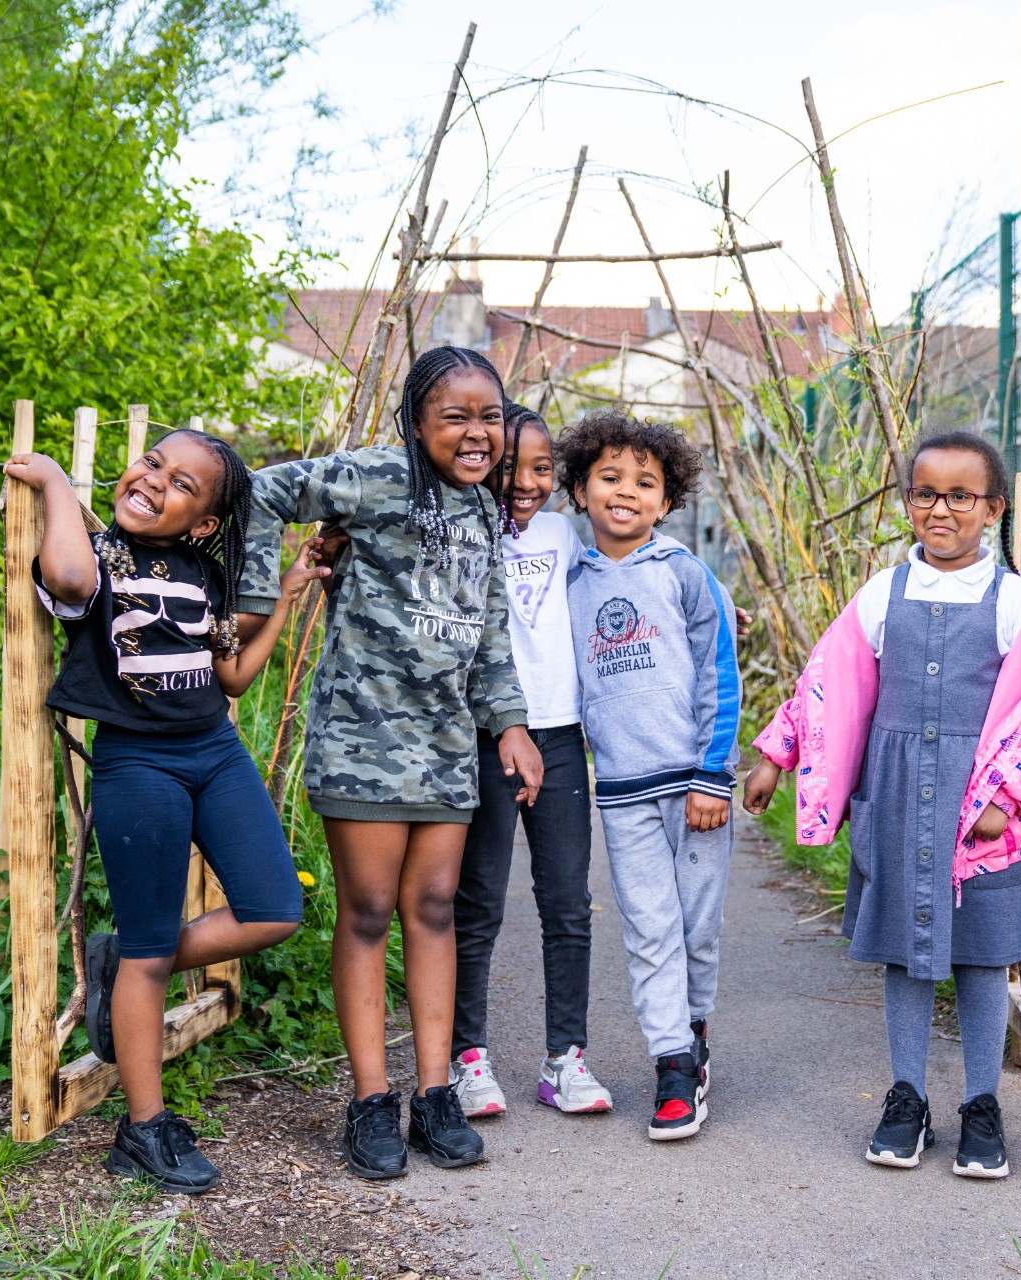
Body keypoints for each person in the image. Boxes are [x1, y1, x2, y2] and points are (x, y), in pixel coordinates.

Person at [234, 345, 544, 1181]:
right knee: (369, 910)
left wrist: (510, 723)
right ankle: (372, 1100)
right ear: (417, 423)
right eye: (456, 417)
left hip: (445, 743)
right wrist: (261, 598)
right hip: (363, 737)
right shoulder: (373, 479)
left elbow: (488, 628)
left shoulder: (481, 509)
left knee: (434, 907)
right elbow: (261, 490)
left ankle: (434, 1095)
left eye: (490, 417)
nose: (477, 433)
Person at [743, 430, 1021, 1179]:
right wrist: (774, 752)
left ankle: (983, 1106)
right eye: (926, 493)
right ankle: (906, 1098)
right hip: (896, 798)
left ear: (992, 508)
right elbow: (825, 681)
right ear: (907, 503)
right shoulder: (882, 594)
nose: (942, 509)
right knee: (905, 951)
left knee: (981, 954)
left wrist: (998, 798)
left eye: (962, 496)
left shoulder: (1017, 602)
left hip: (978, 805)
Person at [6, 429, 321, 1195]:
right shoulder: (98, 553)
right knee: (149, 945)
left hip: (214, 751)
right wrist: (53, 482)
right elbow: (72, 580)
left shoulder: (204, 573)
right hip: (138, 762)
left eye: (181, 484)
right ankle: (142, 1128)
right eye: (152, 462)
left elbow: (235, 675)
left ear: (204, 523)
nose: (153, 481)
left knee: (275, 907)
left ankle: (128, 968)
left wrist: (280, 597)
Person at [558, 410, 740, 1142]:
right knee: (650, 929)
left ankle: (693, 1036)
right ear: (579, 491)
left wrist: (713, 775)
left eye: (645, 482)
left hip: (694, 785)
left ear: (667, 502)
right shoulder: (568, 582)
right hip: (625, 790)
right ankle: (670, 1062)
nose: (625, 492)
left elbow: (719, 678)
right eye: (608, 477)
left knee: (696, 928)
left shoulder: (686, 576)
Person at [448, 403, 614, 1119]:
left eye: (542, 469)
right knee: (478, 900)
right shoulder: (464, 528)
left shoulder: (564, 532)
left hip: (559, 735)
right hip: (485, 735)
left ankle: (565, 1059)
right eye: (512, 467)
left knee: (567, 903)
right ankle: (468, 1058)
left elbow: (616, 585)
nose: (526, 482)